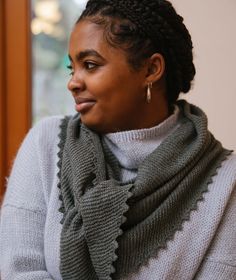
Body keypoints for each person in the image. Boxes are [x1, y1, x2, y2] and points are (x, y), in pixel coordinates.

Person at [0, 0, 235, 279]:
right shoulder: (46, 143)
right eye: (71, 68)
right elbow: (18, 271)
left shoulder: (226, 179)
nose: (73, 82)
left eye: (90, 65)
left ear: (151, 70)